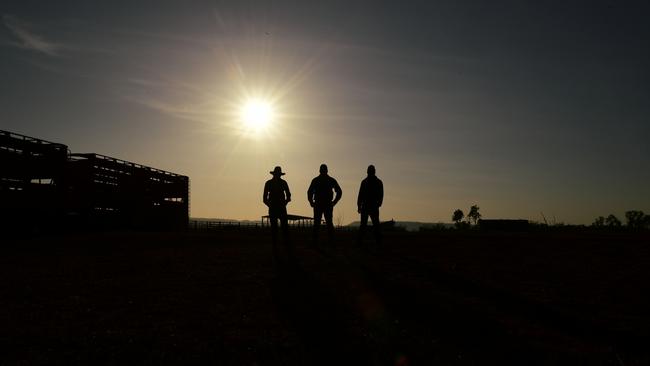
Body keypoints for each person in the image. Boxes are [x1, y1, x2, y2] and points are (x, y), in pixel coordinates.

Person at [307, 164, 342, 244]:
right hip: (323, 204)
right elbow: (310, 192)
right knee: (322, 223)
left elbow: (310, 192)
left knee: (323, 223)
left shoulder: (317, 180)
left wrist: (311, 202)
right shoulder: (328, 180)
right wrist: (311, 201)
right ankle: (327, 241)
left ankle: (321, 242)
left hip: (324, 204)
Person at [263, 166, 292, 254]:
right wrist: (283, 204)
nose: (278, 176)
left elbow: (264, 199)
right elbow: (288, 196)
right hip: (279, 208)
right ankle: (281, 246)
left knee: (279, 228)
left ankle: (278, 246)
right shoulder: (282, 183)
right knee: (281, 228)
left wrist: (271, 205)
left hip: (277, 208)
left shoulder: (269, 183)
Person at [357, 165, 383, 246]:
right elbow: (360, 195)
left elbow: (381, 194)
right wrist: (359, 205)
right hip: (368, 206)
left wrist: (359, 205)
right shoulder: (366, 182)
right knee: (370, 225)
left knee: (373, 225)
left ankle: (377, 242)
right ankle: (362, 241)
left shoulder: (366, 182)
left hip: (371, 206)